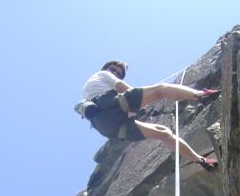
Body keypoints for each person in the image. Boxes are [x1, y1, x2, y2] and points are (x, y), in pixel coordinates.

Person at [79, 60, 221, 172]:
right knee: (161, 90)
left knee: (164, 133)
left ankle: (201, 161)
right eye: (113, 69)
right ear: (106, 68)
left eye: (118, 72)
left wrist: (135, 107)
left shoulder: (91, 88)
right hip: (109, 106)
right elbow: (123, 87)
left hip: (109, 127)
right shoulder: (103, 74)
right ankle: (201, 96)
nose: (115, 72)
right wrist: (141, 101)